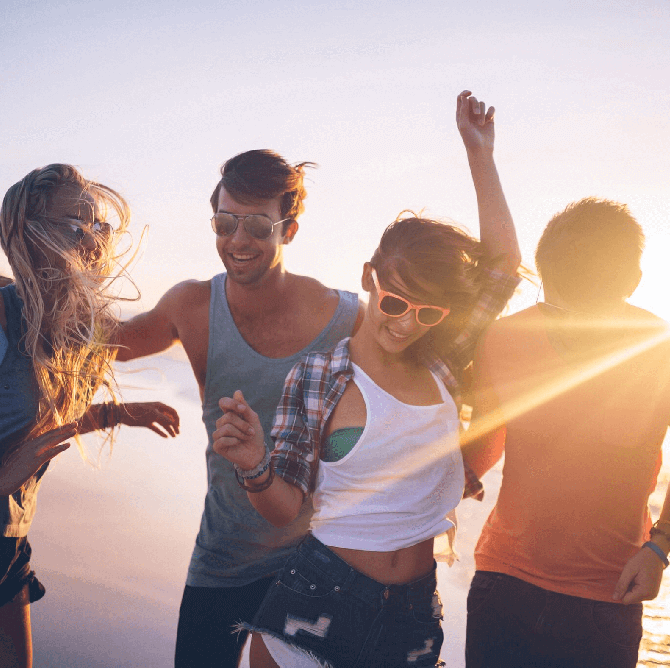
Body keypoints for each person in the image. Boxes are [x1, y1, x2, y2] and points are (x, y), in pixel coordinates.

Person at [0, 149, 362, 667]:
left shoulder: (346, 318)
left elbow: (430, 377)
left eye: (257, 226)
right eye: (225, 223)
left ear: (288, 230)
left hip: (319, 558)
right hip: (225, 553)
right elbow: (105, 341)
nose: (238, 241)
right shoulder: (193, 305)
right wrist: (23, 297)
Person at [212, 90, 520, 668]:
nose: (407, 323)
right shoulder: (320, 377)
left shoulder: (442, 363)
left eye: (429, 313)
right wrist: (254, 464)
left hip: (412, 617)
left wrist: (481, 155)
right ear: (369, 278)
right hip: (315, 603)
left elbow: (501, 271)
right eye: (396, 301)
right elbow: (287, 509)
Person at [0, 164, 180, 667]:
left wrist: (116, 413)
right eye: (76, 226)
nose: (94, 240)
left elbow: (33, 426)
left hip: (4, 548)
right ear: (30, 237)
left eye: (101, 226)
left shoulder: (75, 332)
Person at [462, 197, 670, 668]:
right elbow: (488, 438)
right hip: (503, 580)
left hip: (610, 594)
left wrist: (660, 546)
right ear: (544, 276)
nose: (572, 320)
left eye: (590, 299)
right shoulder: (504, 338)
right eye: (560, 301)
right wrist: (449, 477)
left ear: (632, 282)